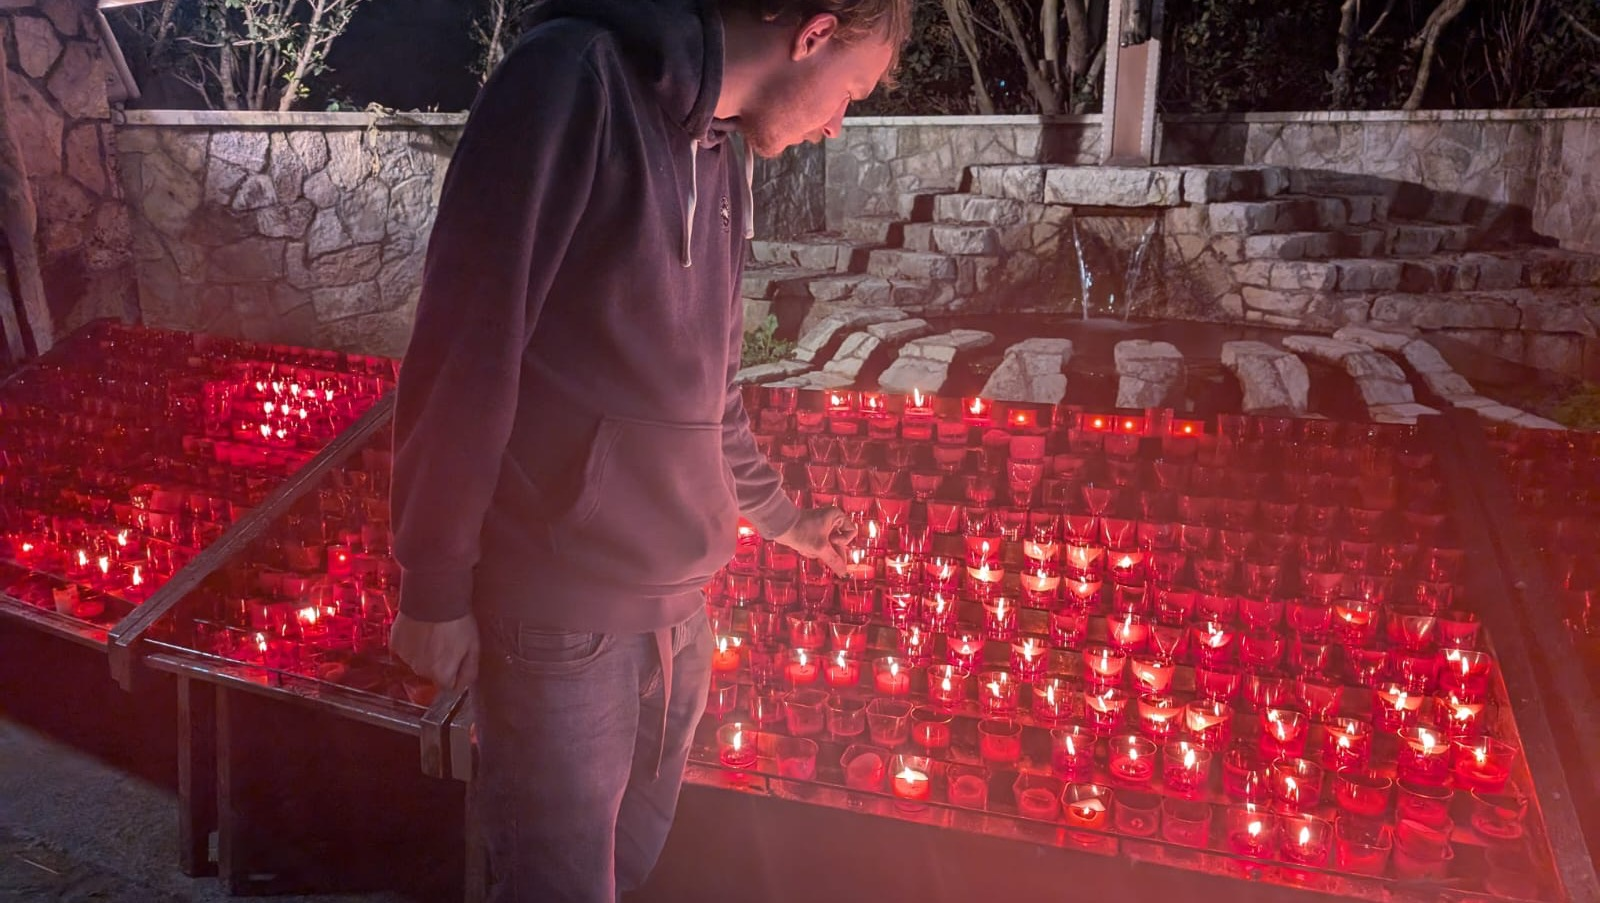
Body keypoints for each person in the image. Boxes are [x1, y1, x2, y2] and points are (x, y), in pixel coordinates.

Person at [388, 0, 911, 899]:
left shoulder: (725, 156)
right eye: (852, 92)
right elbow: (468, 341)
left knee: (624, 870)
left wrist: (787, 521)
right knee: (556, 885)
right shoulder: (569, 80)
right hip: (562, 616)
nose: (837, 124)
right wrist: (433, 582)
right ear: (814, 34)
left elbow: (710, 395)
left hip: (680, 617)